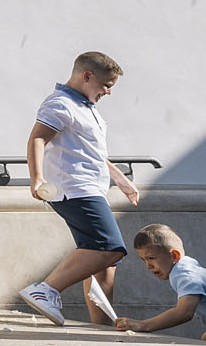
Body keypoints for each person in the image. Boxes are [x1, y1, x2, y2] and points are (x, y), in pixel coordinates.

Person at [18, 52, 141, 326]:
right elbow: (37, 138)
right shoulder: (60, 104)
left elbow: (91, 152)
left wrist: (120, 179)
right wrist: (36, 178)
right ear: (87, 76)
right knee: (109, 248)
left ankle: (102, 326)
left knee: (105, 262)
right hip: (74, 188)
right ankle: (45, 289)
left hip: (91, 188)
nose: (108, 91)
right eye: (106, 84)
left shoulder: (87, 107)